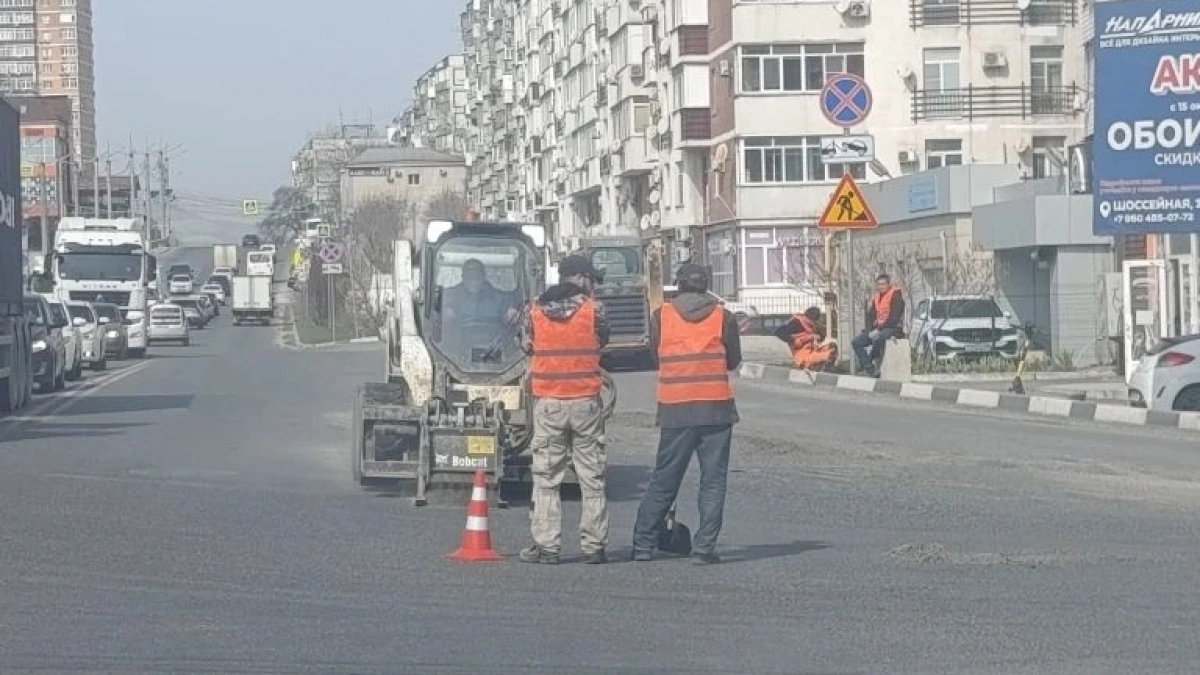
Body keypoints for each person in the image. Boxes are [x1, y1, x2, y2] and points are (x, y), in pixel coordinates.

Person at [631, 263, 742, 565]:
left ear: (678, 285)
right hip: (716, 410)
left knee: (664, 478)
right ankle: (704, 548)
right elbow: (733, 361)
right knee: (713, 480)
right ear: (706, 285)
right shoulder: (723, 317)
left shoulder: (661, 317)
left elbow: (656, 357)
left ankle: (643, 544)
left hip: (676, 410)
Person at [518, 254, 612, 565]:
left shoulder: (533, 311)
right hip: (585, 403)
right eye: (592, 279)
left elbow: (526, 346)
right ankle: (593, 546)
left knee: (546, 477)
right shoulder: (594, 311)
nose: (594, 285)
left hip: (549, 405)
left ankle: (547, 547)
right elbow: (602, 341)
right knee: (592, 477)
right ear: (582, 278)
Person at [851, 274, 905, 377]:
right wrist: (868, 330)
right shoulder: (877, 298)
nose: (880, 287)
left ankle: (874, 363)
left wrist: (879, 329)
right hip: (879, 328)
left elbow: (894, 318)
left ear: (889, 284)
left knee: (878, 338)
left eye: (883, 284)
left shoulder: (896, 296)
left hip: (893, 329)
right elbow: (871, 316)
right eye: (879, 284)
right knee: (856, 342)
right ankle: (868, 366)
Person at [443, 258, 521, 325]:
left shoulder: (498, 298)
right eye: (469, 277)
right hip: (456, 340)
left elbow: (514, 303)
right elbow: (437, 306)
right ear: (462, 277)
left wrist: (513, 311)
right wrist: (443, 313)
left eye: (476, 277)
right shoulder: (449, 295)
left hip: (495, 340)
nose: (473, 281)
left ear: (483, 277)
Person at [776, 306, 837, 371]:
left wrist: (817, 337)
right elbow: (779, 332)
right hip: (802, 356)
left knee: (832, 346)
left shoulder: (810, 326)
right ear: (809, 318)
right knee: (825, 356)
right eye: (814, 321)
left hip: (812, 351)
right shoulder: (796, 322)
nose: (814, 323)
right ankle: (815, 366)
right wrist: (793, 340)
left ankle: (826, 366)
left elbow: (820, 337)